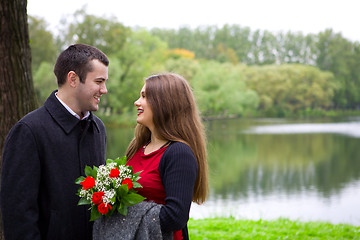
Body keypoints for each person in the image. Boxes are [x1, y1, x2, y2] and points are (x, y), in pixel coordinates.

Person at [0, 43, 109, 240]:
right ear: (73, 79)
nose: (104, 90)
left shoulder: (98, 129)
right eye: (99, 81)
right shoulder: (28, 132)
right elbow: (18, 216)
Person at [125, 73, 209, 240]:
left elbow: (175, 217)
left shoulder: (178, 153)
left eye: (144, 96)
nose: (137, 102)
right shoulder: (138, 147)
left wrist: (124, 217)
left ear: (164, 104)